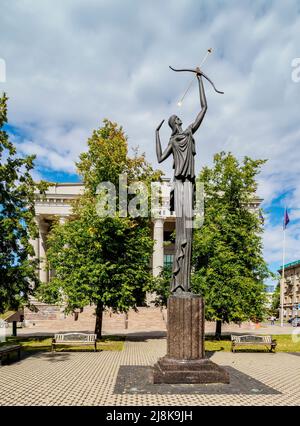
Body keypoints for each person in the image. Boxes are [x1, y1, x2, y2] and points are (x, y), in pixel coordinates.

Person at [156, 71, 207, 293]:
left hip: (189, 184)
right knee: (182, 231)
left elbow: (203, 109)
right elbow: (159, 158)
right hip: (179, 184)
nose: (182, 120)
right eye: (178, 119)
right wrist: (155, 134)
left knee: (189, 233)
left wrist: (200, 81)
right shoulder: (173, 139)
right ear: (173, 123)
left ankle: (184, 285)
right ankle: (177, 285)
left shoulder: (187, 133)